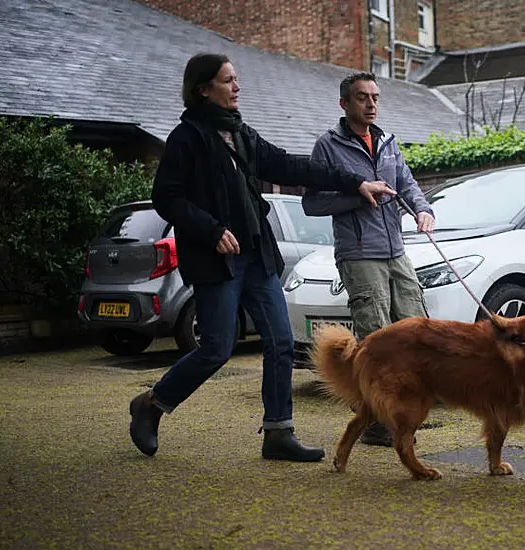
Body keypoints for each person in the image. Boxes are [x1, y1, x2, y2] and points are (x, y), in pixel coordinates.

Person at [128, 53, 396, 461]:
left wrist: (357, 181)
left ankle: (278, 433)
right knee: (216, 348)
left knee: (281, 341)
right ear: (203, 89)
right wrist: (212, 229)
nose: (237, 87)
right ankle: (152, 405)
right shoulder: (188, 137)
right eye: (228, 80)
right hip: (219, 260)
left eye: (236, 80)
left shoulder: (241, 134)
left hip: (257, 255)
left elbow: (292, 166)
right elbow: (168, 197)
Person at [302, 72, 435, 447]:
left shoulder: (388, 142)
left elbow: (407, 185)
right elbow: (312, 203)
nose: (371, 104)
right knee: (377, 340)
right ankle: (376, 423)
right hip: (359, 254)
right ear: (344, 104)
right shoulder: (327, 147)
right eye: (363, 98)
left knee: (415, 331)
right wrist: (361, 195)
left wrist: (423, 210)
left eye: (375, 97)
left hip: (396, 250)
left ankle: (404, 411)